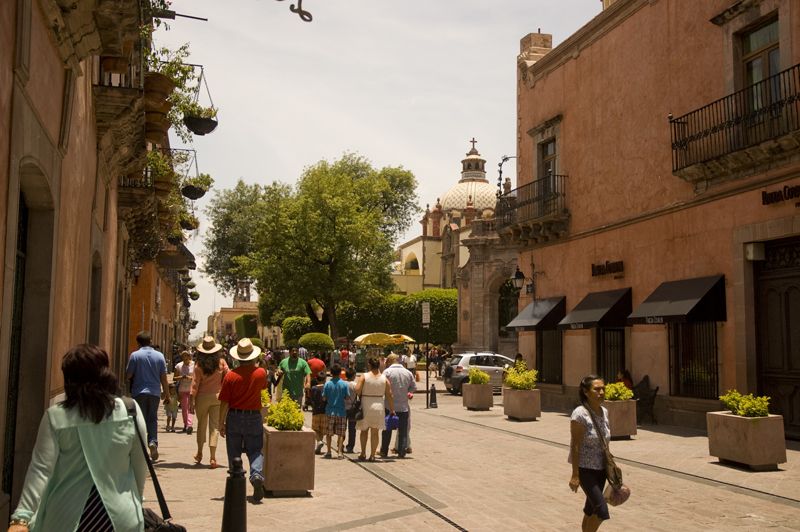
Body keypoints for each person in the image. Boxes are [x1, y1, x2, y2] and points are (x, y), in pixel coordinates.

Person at [8, 344, 147, 531]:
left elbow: (40, 470)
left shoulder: (57, 417)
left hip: (65, 519)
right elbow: (140, 467)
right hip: (121, 519)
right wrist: (133, 500)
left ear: (70, 379)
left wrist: (21, 518)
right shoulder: (130, 411)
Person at [219, 338, 268, 502]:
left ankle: (236, 485)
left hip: (234, 416)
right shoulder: (261, 373)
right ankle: (256, 475)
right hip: (254, 416)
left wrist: (221, 423)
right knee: (255, 450)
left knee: (234, 452)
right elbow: (263, 388)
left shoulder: (230, 376)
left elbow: (224, 402)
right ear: (253, 356)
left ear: (237, 357)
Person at [569, 374, 611, 532]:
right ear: (586, 392)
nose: (601, 392)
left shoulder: (604, 412)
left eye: (603, 389)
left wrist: (610, 463)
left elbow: (605, 441)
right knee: (601, 511)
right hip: (586, 470)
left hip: (601, 469)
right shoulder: (579, 414)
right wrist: (575, 475)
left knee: (590, 510)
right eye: (596, 389)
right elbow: (575, 446)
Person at [126, 331, 170, 460]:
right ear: (150, 341)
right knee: (152, 419)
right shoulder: (160, 356)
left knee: (140, 420)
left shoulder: (135, 355)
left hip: (139, 392)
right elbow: (164, 377)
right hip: (154, 393)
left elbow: (128, 375)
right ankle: (153, 442)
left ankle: (140, 448)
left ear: (138, 342)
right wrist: (167, 394)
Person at [191, 336, 229, 469]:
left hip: (201, 398)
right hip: (217, 397)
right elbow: (228, 377)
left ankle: (199, 453)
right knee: (215, 427)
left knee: (201, 424)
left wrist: (191, 401)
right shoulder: (222, 363)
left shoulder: (198, 365)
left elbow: (195, 384)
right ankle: (213, 457)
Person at [355, 357, 394, 461]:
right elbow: (389, 395)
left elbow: (357, 389)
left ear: (369, 365)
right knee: (375, 432)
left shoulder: (364, 376)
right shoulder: (384, 378)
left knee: (364, 431)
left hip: (366, 404)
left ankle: (363, 453)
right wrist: (392, 409)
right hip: (379, 405)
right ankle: (372, 455)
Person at [380, 353, 415, 459]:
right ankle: (401, 451)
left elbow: (382, 386)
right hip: (403, 406)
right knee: (403, 430)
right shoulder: (408, 372)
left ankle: (384, 451)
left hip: (389, 406)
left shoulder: (387, 372)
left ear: (389, 361)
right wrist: (409, 392)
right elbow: (413, 387)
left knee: (387, 430)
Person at [322, 364, 350, 459]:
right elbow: (347, 397)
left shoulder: (327, 384)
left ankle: (329, 451)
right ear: (340, 373)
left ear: (331, 373)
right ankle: (339, 452)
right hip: (341, 411)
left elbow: (324, 397)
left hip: (330, 411)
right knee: (341, 433)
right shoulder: (344, 384)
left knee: (329, 433)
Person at [173, 350, 195, 434]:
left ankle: (189, 425)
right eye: (183, 356)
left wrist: (190, 378)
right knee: (184, 408)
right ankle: (186, 424)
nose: (185, 358)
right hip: (182, 389)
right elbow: (174, 378)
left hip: (192, 389)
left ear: (189, 356)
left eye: (186, 356)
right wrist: (181, 377)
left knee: (191, 407)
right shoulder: (178, 366)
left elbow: (197, 377)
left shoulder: (194, 365)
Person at [310, 373, 328, 455]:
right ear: (325, 380)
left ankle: (319, 441)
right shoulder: (326, 388)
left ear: (317, 380)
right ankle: (318, 446)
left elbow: (312, 399)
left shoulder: (314, 388)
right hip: (325, 412)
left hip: (316, 411)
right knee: (321, 429)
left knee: (315, 429)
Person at [343, 367, 358, 453]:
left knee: (342, 428)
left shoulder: (343, 383)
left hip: (343, 408)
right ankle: (350, 447)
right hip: (352, 409)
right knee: (352, 429)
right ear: (354, 376)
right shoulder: (354, 384)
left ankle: (340, 444)